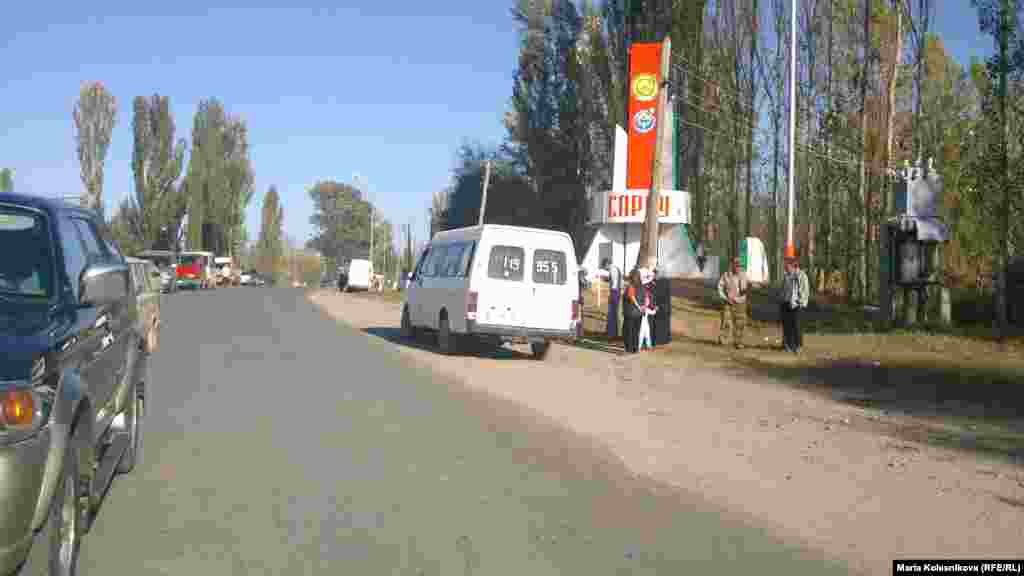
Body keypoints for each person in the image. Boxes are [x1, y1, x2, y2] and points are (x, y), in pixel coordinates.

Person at [779, 255, 810, 353]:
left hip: (797, 305)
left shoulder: (801, 275)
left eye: (787, 265)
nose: (785, 267)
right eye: (785, 265)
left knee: (797, 326)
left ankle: (798, 345)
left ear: (792, 265)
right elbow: (783, 289)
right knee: (787, 326)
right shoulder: (786, 276)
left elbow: (805, 291)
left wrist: (801, 302)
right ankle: (787, 345)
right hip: (786, 303)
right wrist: (782, 300)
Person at [717, 257, 749, 349]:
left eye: (739, 265)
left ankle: (738, 342)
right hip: (728, 302)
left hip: (740, 302)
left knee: (740, 323)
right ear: (732, 265)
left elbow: (746, 288)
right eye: (736, 265)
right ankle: (724, 340)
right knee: (726, 321)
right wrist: (725, 298)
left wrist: (749, 288)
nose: (738, 267)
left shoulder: (744, 275)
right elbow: (720, 287)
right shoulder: (726, 275)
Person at [622, 269, 644, 353]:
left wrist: (638, 306)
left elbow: (632, 297)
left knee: (629, 331)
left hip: (630, 312)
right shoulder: (642, 286)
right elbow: (645, 297)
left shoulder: (630, 286)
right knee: (636, 331)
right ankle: (635, 348)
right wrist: (643, 307)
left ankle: (629, 348)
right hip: (639, 313)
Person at [601, 258, 622, 339]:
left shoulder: (613, 269)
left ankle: (611, 333)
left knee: (611, 313)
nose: (605, 269)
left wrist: (611, 294)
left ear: (607, 264)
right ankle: (612, 332)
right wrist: (606, 279)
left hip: (614, 292)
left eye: (604, 267)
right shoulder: (615, 269)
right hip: (616, 292)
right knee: (613, 313)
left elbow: (614, 282)